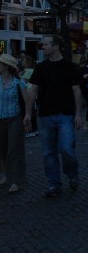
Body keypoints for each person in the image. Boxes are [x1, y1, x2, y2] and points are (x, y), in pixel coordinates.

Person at [26, 35, 83, 198]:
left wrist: (78, 113)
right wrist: (28, 113)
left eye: (46, 44)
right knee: (49, 153)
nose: (43, 47)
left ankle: (72, 173)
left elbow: (76, 90)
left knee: (66, 149)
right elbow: (33, 90)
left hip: (65, 114)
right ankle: (53, 183)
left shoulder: (69, 67)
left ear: (56, 46)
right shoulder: (41, 67)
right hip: (45, 115)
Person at [0, 54, 32, 194]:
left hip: (15, 119)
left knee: (14, 149)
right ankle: (6, 175)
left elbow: (27, 101)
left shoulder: (19, 83)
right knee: (3, 149)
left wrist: (27, 115)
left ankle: (15, 180)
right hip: (0, 119)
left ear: (6, 66)